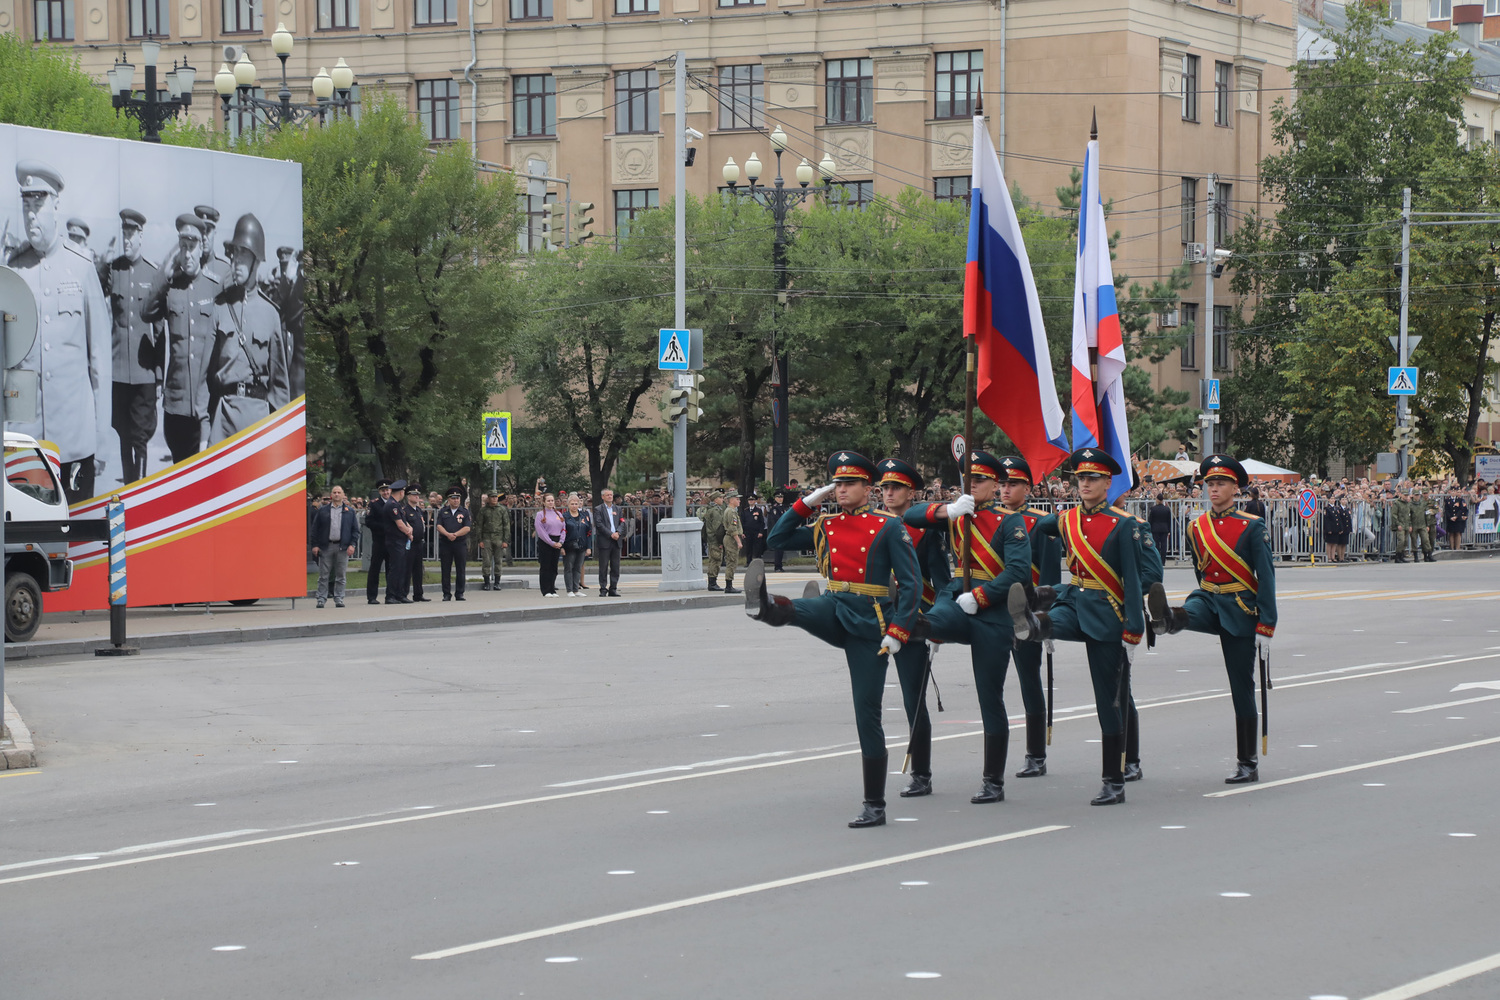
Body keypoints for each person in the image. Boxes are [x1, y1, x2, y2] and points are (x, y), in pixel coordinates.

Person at [747, 451, 921, 828]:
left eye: (848, 484)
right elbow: (777, 538)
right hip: (835, 604)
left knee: (866, 712)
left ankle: (874, 804)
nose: (841, 490)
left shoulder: (889, 526)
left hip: (869, 621)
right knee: (800, 609)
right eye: (837, 484)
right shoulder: (827, 523)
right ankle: (765, 607)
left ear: (867, 488)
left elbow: (910, 584)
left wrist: (899, 630)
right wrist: (810, 501)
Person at [1008, 448, 1144, 807]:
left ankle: (1113, 781)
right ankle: (1033, 624)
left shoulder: (1123, 525)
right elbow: (1028, 524)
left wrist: (1134, 627)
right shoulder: (1065, 520)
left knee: (1108, 700)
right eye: (1080, 478)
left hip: (1108, 613)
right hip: (1075, 601)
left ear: (1108, 483)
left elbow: (1131, 579)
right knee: (1050, 622)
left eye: (1092, 478)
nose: (1084, 484)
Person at [903, 452, 1031, 803]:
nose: (971, 486)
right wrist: (947, 510)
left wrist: (983, 595)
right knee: (927, 622)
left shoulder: (1011, 522)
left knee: (990, 696)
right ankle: (918, 626)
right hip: (955, 599)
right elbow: (911, 515)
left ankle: (993, 781)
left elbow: (1017, 571)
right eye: (967, 481)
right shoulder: (957, 513)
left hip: (992, 612)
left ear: (994, 485)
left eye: (978, 481)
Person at [1150, 455, 1278, 784]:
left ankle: (1247, 761)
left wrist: (1266, 624)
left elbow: (1265, 575)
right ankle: (1168, 618)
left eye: (1221, 483)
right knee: (1190, 610)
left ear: (1236, 488)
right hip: (1208, 596)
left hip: (1239, 607)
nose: (1215, 488)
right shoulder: (1196, 527)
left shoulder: (1252, 526)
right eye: (1210, 483)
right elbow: (1199, 568)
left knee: (1241, 686)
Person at [8, 160, 112, 503]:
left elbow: (99, 359)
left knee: (77, 545)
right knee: (30, 546)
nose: (31, 215)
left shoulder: (81, 268)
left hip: (74, 444)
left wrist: (100, 438)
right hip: (26, 444)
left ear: (56, 206)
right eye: (26, 205)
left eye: (38, 205)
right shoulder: (13, 272)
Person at [874, 457, 947, 797]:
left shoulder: (925, 530)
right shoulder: (870, 524)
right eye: (885, 487)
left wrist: (936, 618)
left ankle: (922, 772)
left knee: (912, 698)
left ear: (910, 492)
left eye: (896, 488)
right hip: (872, 615)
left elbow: (941, 580)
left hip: (910, 618)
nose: (889, 493)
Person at [992, 456, 1063, 779]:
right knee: (992, 683)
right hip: (992, 610)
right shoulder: (989, 519)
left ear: (1028, 488)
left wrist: (1042, 617)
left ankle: (1035, 753)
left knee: (1028, 681)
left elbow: (1049, 574)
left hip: (1026, 611)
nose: (1006, 489)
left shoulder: (1039, 523)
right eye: (1003, 484)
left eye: (1013, 484)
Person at [142, 214, 220, 465]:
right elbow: (146, 311)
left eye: (192, 247)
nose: (187, 254)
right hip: (175, 405)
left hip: (205, 405)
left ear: (201, 249)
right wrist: (164, 272)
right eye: (183, 247)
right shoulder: (171, 287)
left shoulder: (213, 287)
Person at [207, 213, 288, 445]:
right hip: (223, 419)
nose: (235, 261)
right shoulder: (221, 307)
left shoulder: (270, 314)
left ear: (256, 260)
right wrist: (205, 426)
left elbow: (280, 385)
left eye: (243, 254)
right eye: (234, 254)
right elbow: (207, 374)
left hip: (257, 421)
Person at [100, 208, 164, 484]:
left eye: (130, 234)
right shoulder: (114, 270)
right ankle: (129, 483)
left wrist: (159, 374)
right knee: (123, 433)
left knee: (141, 436)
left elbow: (160, 330)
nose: (126, 240)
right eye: (123, 234)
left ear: (140, 235)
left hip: (143, 373)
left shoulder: (153, 273)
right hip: (117, 371)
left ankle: (140, 485)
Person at [311, 485, 357, 608]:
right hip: (326, 546)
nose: (337, 494)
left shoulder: (350, 511)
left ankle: (339, 598)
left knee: (341, 575)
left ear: (343, 495)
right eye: (334, 492)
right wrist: (315, 545)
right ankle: (321, 598)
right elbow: (315, 529)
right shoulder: (323, 510)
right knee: (323, 575)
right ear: (331, 495)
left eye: (339, 492)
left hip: (342, 547)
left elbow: (355, 530)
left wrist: (352, 544)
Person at [436, 489, 472, 601]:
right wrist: (447, 534)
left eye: (457, 498)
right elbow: (439, 526)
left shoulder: (464, 512)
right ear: (448, 499)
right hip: (446, 543)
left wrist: (455, 534)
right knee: (445, 569)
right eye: (453, 498)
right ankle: (446, 593)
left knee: (460, 568)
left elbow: (467, 527)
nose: (456, 500)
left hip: (459, 543)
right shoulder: (443, 511)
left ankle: (459, 593)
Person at [474, 492, 511, 589]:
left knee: (498, 560)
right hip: (486, 538)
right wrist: (480, 540)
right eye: (492, 497)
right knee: (486, 561)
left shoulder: (502, 510)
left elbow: (506, 525)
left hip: (499, 537)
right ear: (489, 498)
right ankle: (486, 582)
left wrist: (505, 540)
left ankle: (497, 582)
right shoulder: (483, 511)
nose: (494, 499)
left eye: (495, 497)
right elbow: (479, 526)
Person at [365, 479, 393, 605]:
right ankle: (372, 596)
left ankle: (390, 595)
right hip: (379, 541)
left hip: (392, 541)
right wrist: (385, 527)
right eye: (383, 490)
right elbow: (369, 522)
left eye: (387, 490)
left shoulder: (395, 503)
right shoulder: (374, 504)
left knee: (391, 569)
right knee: (375, 569)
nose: (385, 492)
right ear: (380, 492)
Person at [593, 488, 624, 597]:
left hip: (616, 541)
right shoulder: (598, 509)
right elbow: (599, 524)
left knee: (615, 566)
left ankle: (613, 588)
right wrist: (611, 534)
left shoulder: (618, 509)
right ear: (603, 497)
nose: (610, 497)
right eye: (607, 495)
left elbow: (622, 522)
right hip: (605, 540)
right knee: (604, 566)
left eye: (611, 495)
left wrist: (618, 532)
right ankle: (603, 588)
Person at [562, 493, 594, 597]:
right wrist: (562, 546)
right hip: (569, 546)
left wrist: (589, 547)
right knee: (569, 567)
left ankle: (576, 589)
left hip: (582, 545)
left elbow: (589, 532)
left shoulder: (584, 516)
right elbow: (561, 532)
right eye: (572, 504)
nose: (574, 506)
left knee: (578, 567)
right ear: (568, 504)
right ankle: (569, 590)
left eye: (576, 503)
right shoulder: (564, 517)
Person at [535, 493, 566, 597]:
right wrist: (551, 543)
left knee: (554, 566)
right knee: (545, 566)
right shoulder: (540, 514)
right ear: (544, 502)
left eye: (552, 500)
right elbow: (541, 531)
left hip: (557, 541)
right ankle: (546, 590)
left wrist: (561, 541)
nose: (551, 502)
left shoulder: (558, 514)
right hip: (546, 542)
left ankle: (552, 588)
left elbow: (563, 528)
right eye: (548, 501)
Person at [700, 491, 726, 588]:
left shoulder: (712, 509)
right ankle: (712, 583)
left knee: (714, 560)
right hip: (715, 540)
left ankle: (712, 582)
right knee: (715, 561)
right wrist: (720, 541)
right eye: (720, 498)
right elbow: (718, 528)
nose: (722, 500)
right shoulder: (715, 511)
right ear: (716, 500)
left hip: (712, 539)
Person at [720, 489, 744, 595]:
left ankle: (730, 585)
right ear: (731, 500)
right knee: (731, 562)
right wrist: (738, 541)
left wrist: (740, 533)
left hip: (732, 537)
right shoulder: (730, 511)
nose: (739, 501)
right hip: (731, 539)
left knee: (733, 562)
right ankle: (728, 586)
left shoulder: (732, 511)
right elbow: (732, 529)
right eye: (737, 499)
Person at [767, 490, 790, 571]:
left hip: (783, 530)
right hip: (778, 530)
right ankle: (777, 566)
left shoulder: (784, 507)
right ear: (775, 498)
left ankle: (780, 565)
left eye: (781, 497)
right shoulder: (774, 508)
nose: (780, 499)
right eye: (778, 497)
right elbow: (776, 520)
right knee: (778, 550)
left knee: (781, 549)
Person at [1148, 491, 1172, 560]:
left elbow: (1151, 520)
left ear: (1157, 500)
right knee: (1164, 544)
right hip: (1164, 528)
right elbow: (1169, 520)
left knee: (1156, 544)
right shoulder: (1166, 509)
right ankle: (1163, 560)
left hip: (1155, 528)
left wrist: (1150, 528)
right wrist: (1169, 530)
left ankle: (1157, 559)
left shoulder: (1153, 509)